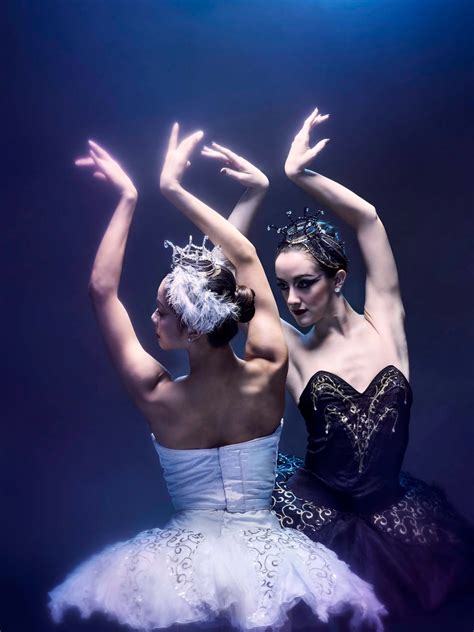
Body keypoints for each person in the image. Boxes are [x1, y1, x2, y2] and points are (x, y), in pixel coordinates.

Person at [48, 125, 386, 631]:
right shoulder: (270, 368)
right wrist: (177, 191)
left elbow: (102, 290)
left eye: (162, 312)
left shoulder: (157, 394)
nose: (153, 316)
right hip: (274, 558)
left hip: (180, 568)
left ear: (188, 330)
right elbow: (244, 258)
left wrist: (129, 197)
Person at [203, 108, 474, 619]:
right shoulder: (292, 349)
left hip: (393, 513)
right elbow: (221, 282)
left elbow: (368, 219)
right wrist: (254, 192)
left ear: (339, 278)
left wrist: (299, 175)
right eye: (282, 287)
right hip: (321, 514)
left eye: (304, 283)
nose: (292, 299)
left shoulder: (385, 322)